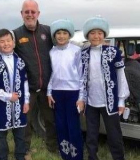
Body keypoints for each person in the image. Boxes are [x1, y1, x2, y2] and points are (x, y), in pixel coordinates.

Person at [12, 0, 58, 157]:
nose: (30, 14)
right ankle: (24, 149)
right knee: (25, 120)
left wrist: (90, 45)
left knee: (50, 119)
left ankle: (53, 146)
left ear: (38, 13)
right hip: (27, 88)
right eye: (27, 12)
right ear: (22, 14)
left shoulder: (48, 31)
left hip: (47, 87)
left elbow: (66, 42)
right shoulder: (15, 34)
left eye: (33, 11)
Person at [81, 15, 130, 160]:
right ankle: (92, 157)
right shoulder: (83, 54)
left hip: (110, 101)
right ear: (88, 35)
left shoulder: (114, 52)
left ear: (104, 35)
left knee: (114, 133)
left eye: (100, 33)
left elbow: (121, 77)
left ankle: (118, 157)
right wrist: (82, 99)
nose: (96, 36)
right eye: (93, 33)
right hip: (91, 102)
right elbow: (82, 79)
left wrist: (121, 101)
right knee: (91, 133)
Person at [0, 29, 30, 160]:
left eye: (8, 40)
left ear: (13, 42)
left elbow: (25, 83)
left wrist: (27, 101)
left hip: (19, 105)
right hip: (1, 105)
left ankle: (20, 157)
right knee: (1, 137)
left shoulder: (20, 61)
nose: (5, 44)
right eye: (2, 41)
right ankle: (2, 157)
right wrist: (7, 96)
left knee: (20, 135)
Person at [47, 19, 84, 160]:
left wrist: (81, 97)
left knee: (73, 126)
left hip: (73, 93)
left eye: (64, 33)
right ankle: (65, 154)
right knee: (61, 125)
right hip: (57, 93)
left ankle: (76, 155)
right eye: (58, 33)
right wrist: (49, 93)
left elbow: (81, 76)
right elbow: (51, 73)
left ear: (69, 35)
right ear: (55, 36)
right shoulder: (52, 52)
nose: (61, 36)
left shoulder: (76, 51)